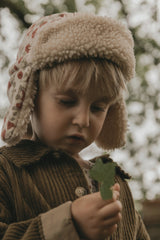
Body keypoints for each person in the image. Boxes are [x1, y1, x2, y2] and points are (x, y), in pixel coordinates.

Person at [0, 12, 150, 240]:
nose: (83, 120)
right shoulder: (6, 171)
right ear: (30, 95)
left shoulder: (112, 179)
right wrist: (69, 224)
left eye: (98, 107)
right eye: (67, 102)